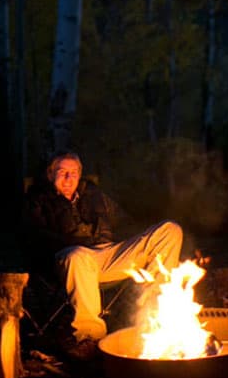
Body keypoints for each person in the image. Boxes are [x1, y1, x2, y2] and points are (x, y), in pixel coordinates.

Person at [23, 151, 183, 361]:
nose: (69, 178)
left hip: (109, 254)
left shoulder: (94, 195)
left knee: (170, 230)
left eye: (73, 172)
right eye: (63, 173)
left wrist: (140, 238)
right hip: (71, 256)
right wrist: (74, 244)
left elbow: (125, 222)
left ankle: (157, 315)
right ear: (51, 174)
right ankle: (89, 339)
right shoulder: (38, 199)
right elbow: (35, 236)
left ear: (80, 174)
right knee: (78, 255)